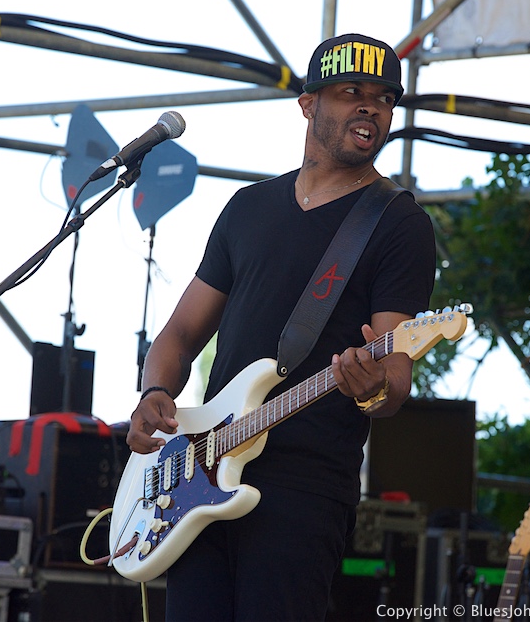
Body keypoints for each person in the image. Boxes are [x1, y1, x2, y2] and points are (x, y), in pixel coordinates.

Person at [127, 33, 436, 621]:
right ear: (308, 104)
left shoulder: (399, 224)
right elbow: (180, 335)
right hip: (199, 476)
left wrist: (368, 384)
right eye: (351, 92)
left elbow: (394, 380)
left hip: (304, 491)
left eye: (384, 98)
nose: (370, 107)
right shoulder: (247, 208)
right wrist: (154, 393)